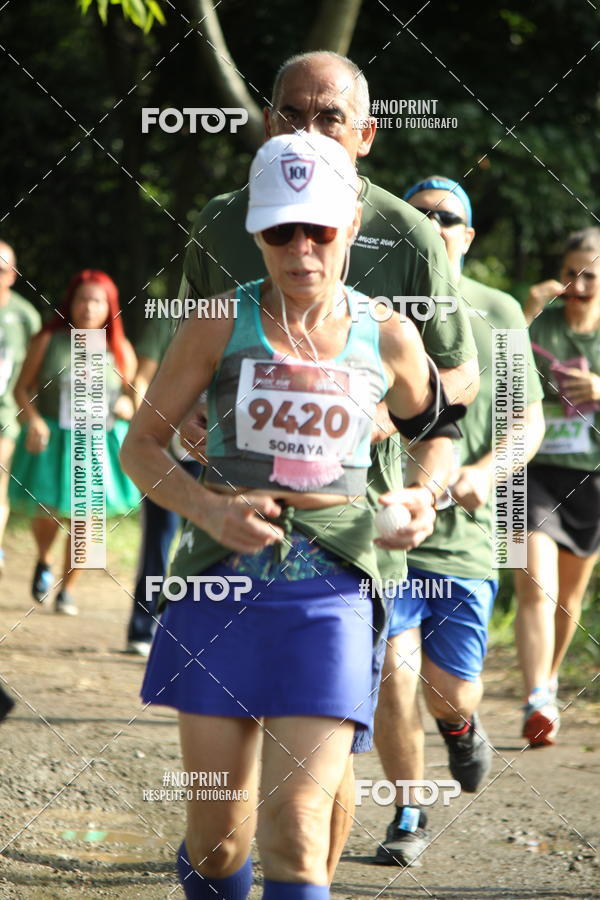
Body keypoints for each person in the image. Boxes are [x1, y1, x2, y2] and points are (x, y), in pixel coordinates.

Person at [121, 133, 454, 900]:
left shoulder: (389, 333)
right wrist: (207, 506)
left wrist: (419, 495)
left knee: (298, 834)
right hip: (218, 587)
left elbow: (438, 425)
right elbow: (142, 446)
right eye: (280, 230)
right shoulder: (214, 321)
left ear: (347, 226)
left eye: (319, 230)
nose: (300, 249)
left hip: (331, 591)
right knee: (217, 845)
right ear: (257, 234)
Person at [177, 50, 478, 875]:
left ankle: (300, 870)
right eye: (291, 113)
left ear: (368, 135)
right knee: (221, 833)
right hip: (231, 530)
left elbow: (459, 377)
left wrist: (382, 414)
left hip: (355, 530)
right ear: (269, 119)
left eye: (329, 117)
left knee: (312, 789)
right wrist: (195, 414)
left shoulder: (406, 233)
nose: (307, 129)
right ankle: (219, 848)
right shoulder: (219, 221)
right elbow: (191, 351)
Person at [374, 176, 545, 865]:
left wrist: (485, 473)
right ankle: (408, 809)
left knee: (447, 690)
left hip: (464, 537)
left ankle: (461, 723)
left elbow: (527, 421)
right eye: (420, 216)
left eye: (448, 218)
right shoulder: (374, 310)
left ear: (467, 237)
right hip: (384, 532)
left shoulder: (497, 312)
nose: (434, 225)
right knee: (393, 669)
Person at [515, 227, 600, 746]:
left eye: (591, 274)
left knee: (569, 597)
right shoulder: (539, 322)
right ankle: (536, 700)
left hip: (593, 476)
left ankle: (548, 680)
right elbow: (498, 369)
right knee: (536, 587)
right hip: (533, 472)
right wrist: (524, 314)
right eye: (571, 273)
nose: (580, 284)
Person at [11, 269, 138, 615]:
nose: (88, 307)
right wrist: (33, 420)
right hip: (53, 440)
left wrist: (128, 403)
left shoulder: (119, 349)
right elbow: (21, 388)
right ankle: (44, 560)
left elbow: (133, 396)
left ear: (109, 307)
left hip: (97, 444)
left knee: (87, 520)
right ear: (71, 302)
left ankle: (68, 588)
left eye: (96, 301)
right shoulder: (48, 340)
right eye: (82, 299)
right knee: (48, 511)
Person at [126, 318, 202, 657]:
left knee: (203, 543)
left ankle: (192, 629)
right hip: (165, 449)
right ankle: (142, 627)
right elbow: (142, 378)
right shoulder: (168, 320)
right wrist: (152, 428)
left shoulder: (248, 313)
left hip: (216, 452)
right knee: (159, 537)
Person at [0, 241, 41, 574]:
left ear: (12, 275)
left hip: (4, 411)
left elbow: (35, 374)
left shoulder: (26, 317)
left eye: (1, 270)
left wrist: (32, 415)